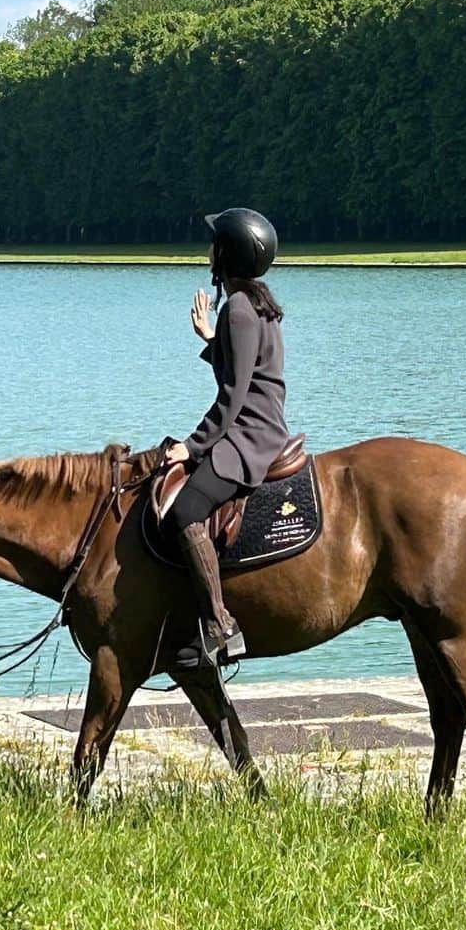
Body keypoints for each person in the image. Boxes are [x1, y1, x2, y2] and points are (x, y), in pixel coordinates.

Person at [163, 207, 289, 667]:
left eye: (214, 243)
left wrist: (192, 446)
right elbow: (247, 370)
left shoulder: (238, 307)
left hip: (248, 437)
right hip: (262, 427)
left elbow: (233, 397)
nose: (207, 250)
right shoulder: (257, 301)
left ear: (227, 253)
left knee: (185, 510)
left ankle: (220, 624)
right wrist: (210, 338)